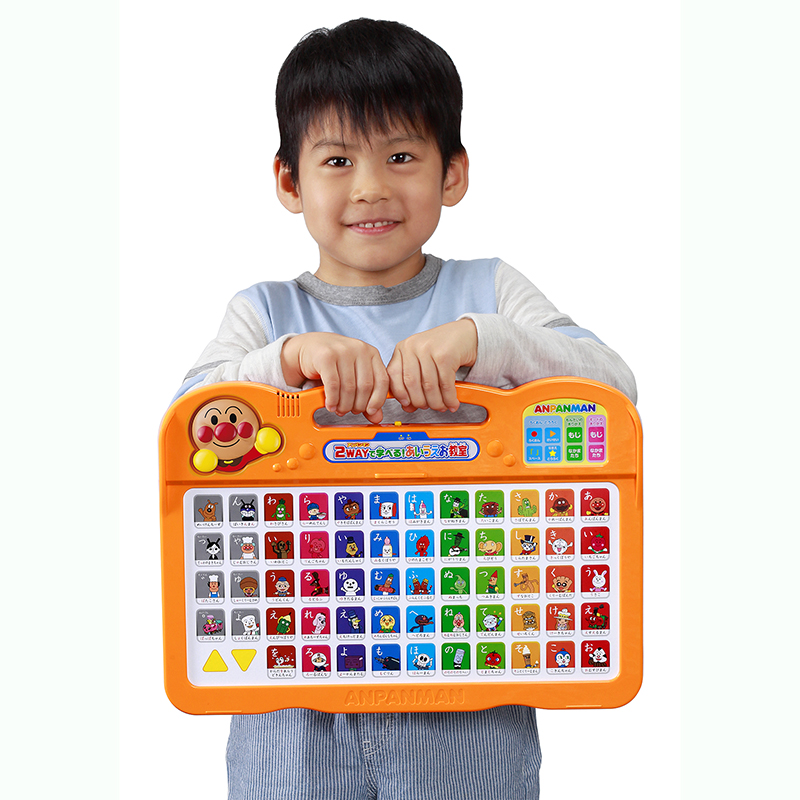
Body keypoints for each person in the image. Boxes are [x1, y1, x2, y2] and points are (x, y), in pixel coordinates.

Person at [175, 18, 636, 800]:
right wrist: (284, 362)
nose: (370, 187)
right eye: (336, 160)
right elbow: (188, 420)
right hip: (293, 666)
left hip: (471, 652)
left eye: (400, 156)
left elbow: (613, 389)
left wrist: (487, 340)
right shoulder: (265, 311)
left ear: (452, 173)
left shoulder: (491, 290)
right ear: (289, 181)